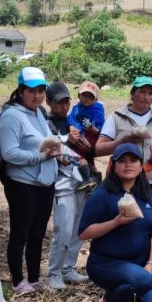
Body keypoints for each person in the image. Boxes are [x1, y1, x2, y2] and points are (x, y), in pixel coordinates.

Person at [79, 143, 152, 302]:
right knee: (142, 281)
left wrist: (151, 264)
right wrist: (115, 222)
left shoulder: (147, 194)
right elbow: (83, 233)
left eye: (133, 160)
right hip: (106, 263)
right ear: (113, 165)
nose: (128, 165)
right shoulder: (102, 194)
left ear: (140, 165)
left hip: (140, 264)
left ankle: (128, 289)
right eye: (122, 161)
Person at [0, 67, 62, 294]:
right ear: (20, 90)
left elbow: (46, 141)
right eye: (31, 91)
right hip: (23, 185)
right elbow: (9, 153)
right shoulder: (12, 116)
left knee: (38, 233)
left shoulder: (39, 112)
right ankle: (17, 281)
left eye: (41, 90)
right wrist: (41, 157)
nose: (37, 96)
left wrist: (58, 156)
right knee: (20, 233)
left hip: (45, 183)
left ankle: (34, 279)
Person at [95, 76, 152, 205]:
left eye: (150, 93)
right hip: (122, 182)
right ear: (133, 94)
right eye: (142, 92)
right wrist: (123, 141)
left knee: (150, 220)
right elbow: (98, 149)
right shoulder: (117, 116)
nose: (146, 97)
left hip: (151, 182)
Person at [44, 81, 90, 290]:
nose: (64, 106)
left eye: (66, 101)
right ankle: (53, 272)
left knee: (77, 227)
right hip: (61, 183)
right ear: (49, 102)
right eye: (59, 102)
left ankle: (68, 268)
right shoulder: (45, 123)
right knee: (63, 228)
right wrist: (68, 144)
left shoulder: (70, 122)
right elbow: (52, 150)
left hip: (79, 180)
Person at [68, 80, 103, 190]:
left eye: (90, 96)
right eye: (84, 95)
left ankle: (87, 179)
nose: (86, 98)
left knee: (78, 156)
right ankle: (96, 180)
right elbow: (70, 118)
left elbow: (102, 126)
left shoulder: (97, 109)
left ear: (95, 99)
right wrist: (71, 126)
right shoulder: (76, 107)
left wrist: (94, 129)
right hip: (78, 134)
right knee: (89, 160)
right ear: (79, 95)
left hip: (90, 137)